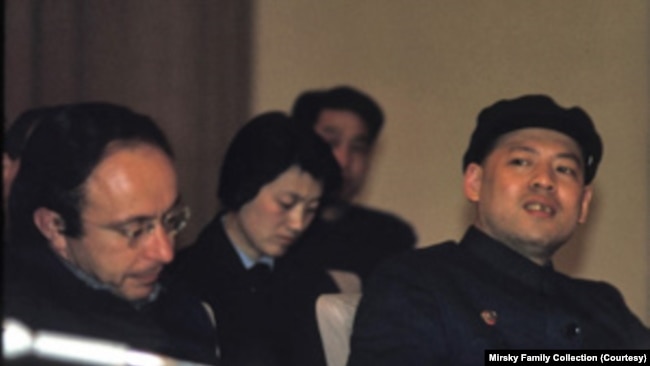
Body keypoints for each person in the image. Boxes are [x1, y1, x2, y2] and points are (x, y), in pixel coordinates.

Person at [347, 95, 650, 366]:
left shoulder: (605, 306)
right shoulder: (417, 283)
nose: (544, 180)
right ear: (475, 182)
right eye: (521, 161)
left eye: (565, 169)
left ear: (583, 203)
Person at [4, 103, 219, 365]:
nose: (165, 252)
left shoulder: (188, 314)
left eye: (171, 220)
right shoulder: (27, 340)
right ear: (54, 227)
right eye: (135, 231)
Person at [169, 112, 342, 366]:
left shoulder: (314, 283)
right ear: (243, 187)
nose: (297, 223)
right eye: (286, 203)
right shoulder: (182, 281)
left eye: (310, 209)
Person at [287, 86, 417, 285]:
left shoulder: (391, 238)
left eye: (358, 148)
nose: (343, 160)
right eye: (330, 143)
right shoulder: (278, 229)